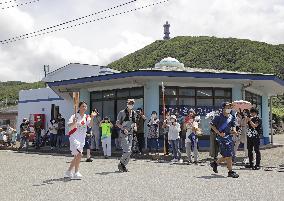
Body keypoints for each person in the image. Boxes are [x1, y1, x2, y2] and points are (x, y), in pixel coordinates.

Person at [64, 101, 96, 179]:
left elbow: (90, 125)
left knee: (76, 157)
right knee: (79, 155)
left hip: (82, 138)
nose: (84, 108)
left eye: (85, 106)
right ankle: (76, 172)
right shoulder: (75, 116)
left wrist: (92, 117)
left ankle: (68, 172)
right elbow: (68, 124)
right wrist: (73, 122)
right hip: (74, 137)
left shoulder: (87, 116)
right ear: (79, 107)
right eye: (83, 106)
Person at [210, 102, 239, 178]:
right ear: (223, 108)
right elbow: (212, 125)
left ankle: (215, 163)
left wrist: (234, 131)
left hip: (229, 137)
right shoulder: (218, 117)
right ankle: (230, 171)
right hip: (221, 138)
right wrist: (219, 133)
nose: (229, 109)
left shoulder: (231, 117)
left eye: (230, 107)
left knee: (227, 155)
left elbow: (233, 126)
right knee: (229, 155)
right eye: (227, 107)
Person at [116, 99, 137, 172]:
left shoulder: (134, 113)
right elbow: (117, 123)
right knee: (127, 151)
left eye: (132, 103)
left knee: (130, 151)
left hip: (131, 133)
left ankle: (123, 165)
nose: (131, 105)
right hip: (123, 133)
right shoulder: (121, 112)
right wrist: (123, 128)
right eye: (130, 103)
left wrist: (135, 126)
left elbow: (134, 122)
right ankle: (121, 163)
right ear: (127, 104)